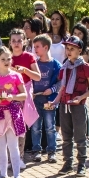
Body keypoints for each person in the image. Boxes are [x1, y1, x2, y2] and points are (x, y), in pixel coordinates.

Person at [0, 46, 27, 178]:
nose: (6, 61)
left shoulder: (16, 76)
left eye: (8, 58)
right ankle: (3, 174)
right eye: (3, 59)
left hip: (12, 113)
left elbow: (24, 95)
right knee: (0, 146)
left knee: (13, 146)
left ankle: (17, 176)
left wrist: (12, 97)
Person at [54, 36, 89, 175]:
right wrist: (55, 101)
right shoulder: (65, 66)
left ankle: (81, 163)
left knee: (80, 135)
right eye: (67, 48)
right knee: (66, 136)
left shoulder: (85, 67)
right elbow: (62, 87)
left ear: (80, 50)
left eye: (72, 49)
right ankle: (67, 163)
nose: (69, 51)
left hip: (78, 105)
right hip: (64, 104)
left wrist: (81, 97)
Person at [10, 29, 40, 165]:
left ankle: (20, 157)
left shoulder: (29, 57)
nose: (16, 43)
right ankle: (10, 158)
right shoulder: (7, 57)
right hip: (9, 95)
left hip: (24, 93)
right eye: (13, 41)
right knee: (9, 127)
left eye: (19, 41)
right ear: (10, 43)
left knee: (20, 125)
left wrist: (25, 70)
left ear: (24, 42)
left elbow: (37, 76)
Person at [30, 34, 60, 163]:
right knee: (35, 127)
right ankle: (36, 150)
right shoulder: (34, 64)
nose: (35, 49)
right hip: (36, 99)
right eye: (34, 46)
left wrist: (52, 90)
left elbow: (60, 82)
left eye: (37, 46)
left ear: (46, 47)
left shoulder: (55, 64)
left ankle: (51, 151)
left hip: (49, 100)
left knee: (50, 127)